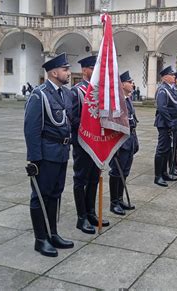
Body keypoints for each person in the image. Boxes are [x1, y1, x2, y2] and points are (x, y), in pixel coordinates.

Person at [24, 52, 74, 257]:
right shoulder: (39, 94)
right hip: (46, 154)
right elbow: (31, 129)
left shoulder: (65, 94)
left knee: (56, 194)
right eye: (65, 69)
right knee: (41, 196)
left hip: (62, 152)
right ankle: (41, 239)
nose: (69, 73)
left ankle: (53, 233)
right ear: (54, 72)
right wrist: (34, 159)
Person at [70, 56, 108, 236]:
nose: (96, 72)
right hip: (83, 142)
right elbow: (72, 118)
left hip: (97, 142)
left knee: (94, 178)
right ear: (84, 70)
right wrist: (89, 125)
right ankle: (81, 217)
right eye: (93, 68)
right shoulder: (76, 91)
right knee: (81, 179)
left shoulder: (101, 91)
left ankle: (92, 212)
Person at [108, 71, 139, 215]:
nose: (132, 84)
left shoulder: (127, 99)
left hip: (129, 141)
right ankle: (114, 203)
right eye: (130, 81)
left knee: (124, 172)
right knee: (116, 172)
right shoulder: (116, 101)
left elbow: (133, 121)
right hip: (120, 143)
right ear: (122, 84)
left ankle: (120, 199)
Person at [154, 66, 177, 187]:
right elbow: (162, 108)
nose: (174, 76)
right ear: (164, 77)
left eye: (174, 75)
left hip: (172, 123)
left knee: (167, 149)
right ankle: (157, 176)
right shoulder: (162, 90)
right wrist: (170, 123)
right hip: (165, 124)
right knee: (162, 149)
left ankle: (164, 173)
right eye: (172, 74)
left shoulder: (171, 89)